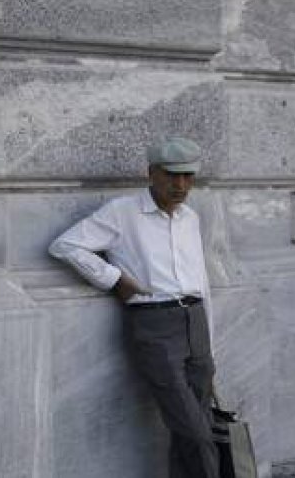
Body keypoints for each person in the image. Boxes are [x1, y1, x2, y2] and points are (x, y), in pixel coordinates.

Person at [48, 137, 218, 478]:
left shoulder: (190, 218)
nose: (181, 185)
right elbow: (65, 245)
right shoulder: (123, 213)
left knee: (193, 428)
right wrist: (114, 279)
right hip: (155, 325)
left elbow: (201, 280)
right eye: (172, 175)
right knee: (196, 431)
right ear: (151, 173)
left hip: (196, 322)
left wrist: (211, 343)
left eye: (188, 176)